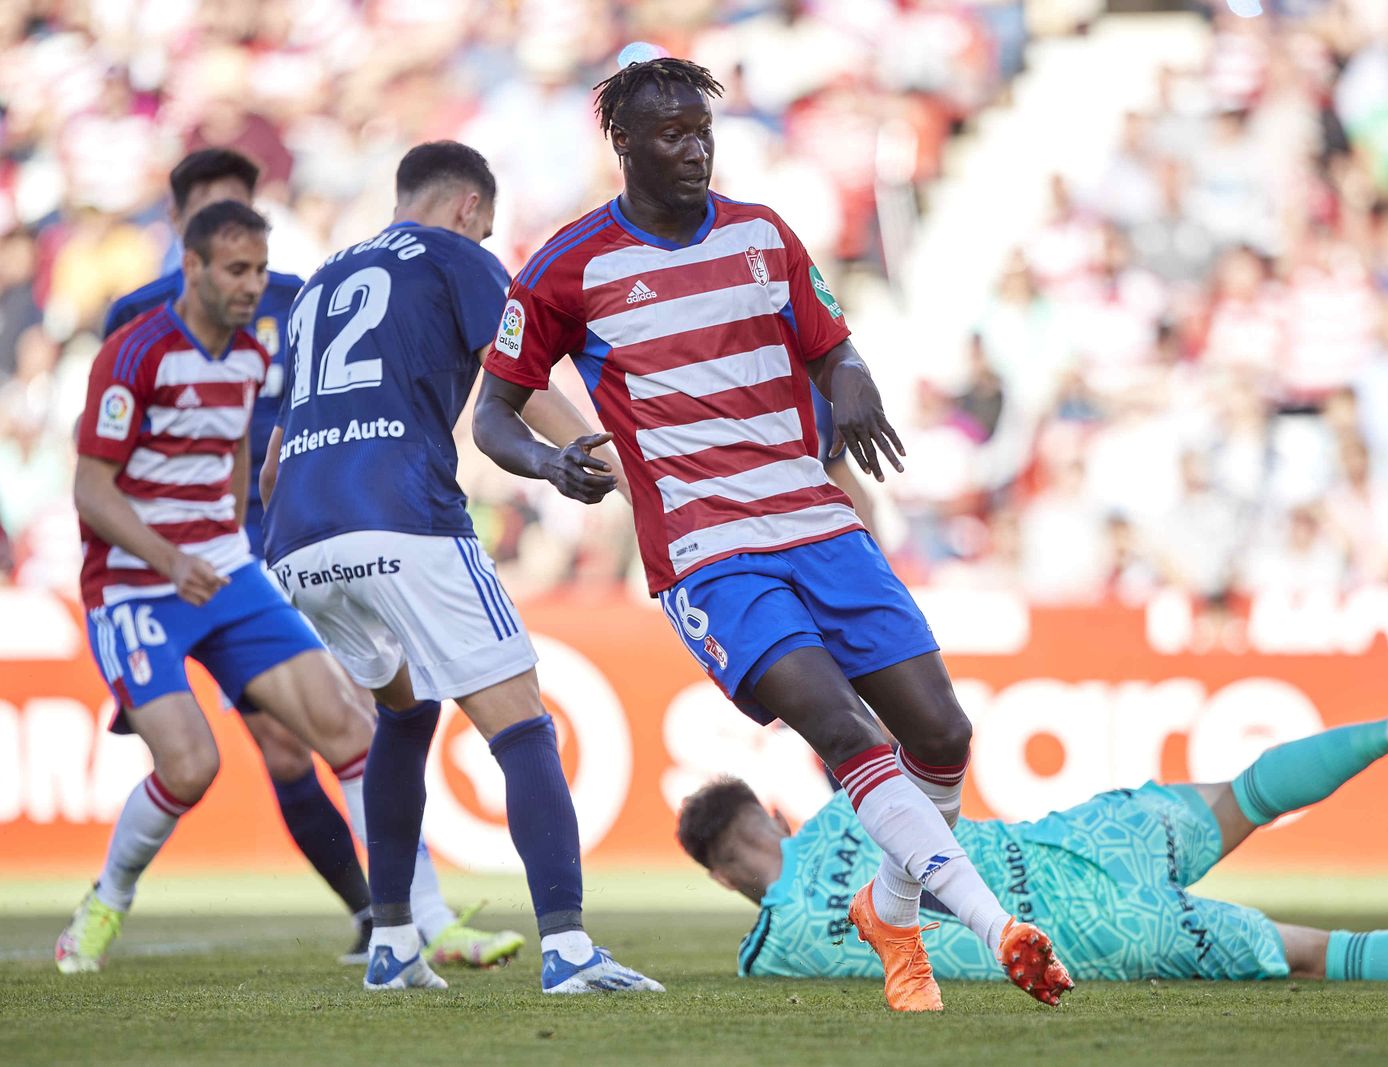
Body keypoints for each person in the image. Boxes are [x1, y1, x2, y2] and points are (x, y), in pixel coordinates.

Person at [472, 56, 1071, 1012]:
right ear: (623, 145)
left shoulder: (764, 235)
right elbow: (494, 416)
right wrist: (551, 462)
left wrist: (854, 383)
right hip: (709, 550)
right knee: (841, 726)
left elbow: (834, 349)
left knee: (944, 731)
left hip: (815, 520)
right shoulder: (568, 266)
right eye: (671, 134)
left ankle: (891, 907)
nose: (695, 149)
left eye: (702, 132)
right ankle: (997, 928)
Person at [259, 141, 659, 995]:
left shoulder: (319, 280)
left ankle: (395, 943)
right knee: (521, 723)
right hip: (401, 518)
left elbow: (276, 453)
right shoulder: (460, 255)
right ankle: (570, 950)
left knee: (402, 716)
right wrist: (625, 470)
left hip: (297, 536)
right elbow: (519, 377)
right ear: (471, 208)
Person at [104, 148, 513, 970]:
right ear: (183, 226)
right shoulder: (135, 317)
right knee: (286, 748)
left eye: (243, 208)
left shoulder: (298, 297)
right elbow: (114, 452)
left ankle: (403, 915)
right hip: (196, 561)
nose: (235, 232)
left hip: (292, 528)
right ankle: (376, 910)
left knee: (356, 725)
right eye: (215, 211)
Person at [678, 682, 1388, 984]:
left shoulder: (772, 953)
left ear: (722, 877)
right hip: (1089, 844)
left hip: (1092, 940)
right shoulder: (849, 805)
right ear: (774, 814)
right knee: (1249, 791)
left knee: (1326, 952)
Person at [57, 203, 369, 974]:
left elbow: (233, 450)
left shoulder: (248, 357)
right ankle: (106, 901)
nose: (253, 286)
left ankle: (406, 917)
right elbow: (92, 490)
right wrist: (169, 559)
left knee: (350, 726)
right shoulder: (135, 353)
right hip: (135, 585)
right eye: (238, 270)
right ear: (191, 265)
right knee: (192, 766)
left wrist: (228, 542)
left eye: (261, 271)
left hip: (222, 572)